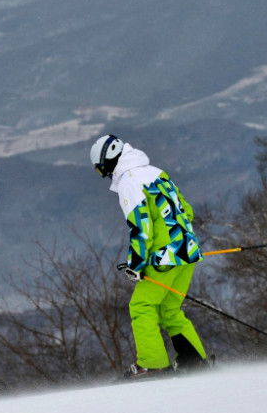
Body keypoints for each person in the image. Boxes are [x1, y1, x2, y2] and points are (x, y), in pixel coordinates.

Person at [90, 134, 209, 378]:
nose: (105, 175)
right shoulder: (156, 172)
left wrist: (137, 263)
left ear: (110, 160)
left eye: (103, 169)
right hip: (188, 251)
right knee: (170, 310)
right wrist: (181, 242)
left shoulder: (130, 182)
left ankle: (152, 365)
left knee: (141, 306)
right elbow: (187, 211)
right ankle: (194, 360)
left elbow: (142, 228)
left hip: (164, 257)